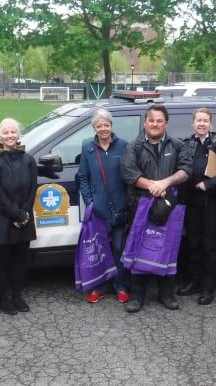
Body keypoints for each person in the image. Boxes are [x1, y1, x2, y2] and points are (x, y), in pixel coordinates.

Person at [120, 104, 193, 313]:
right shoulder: (133, 147)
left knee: (167, 247)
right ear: (145, 122)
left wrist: (165, 183)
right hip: (141, 206)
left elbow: (186, 170)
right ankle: (137, 296)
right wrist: (152, 185)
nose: (155, 124)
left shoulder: (178, 145)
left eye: (159, 121)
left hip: (169, 205)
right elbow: (128, 172)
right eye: (151, 120)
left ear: (166, 124)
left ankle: (166, 294)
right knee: (139, 247)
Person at [76, 109, 131, 304]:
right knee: (99, 249)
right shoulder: (88, 148)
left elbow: (129, 176)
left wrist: (127, 203)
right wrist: (90, 201)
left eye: (106, 125)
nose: (103, 129)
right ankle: (98, 287)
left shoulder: (123, 146)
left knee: (118, 248)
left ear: (111, 126)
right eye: (99, 126)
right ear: (94, 128)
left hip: (119, 209)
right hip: (98, 210)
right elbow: (83, 176)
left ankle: (121, 285)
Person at [176, 108, 216, 305]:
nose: (201, 124)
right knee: (193, 243)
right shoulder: (187, 144)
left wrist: (208, 184)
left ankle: (208, 287)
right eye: (198, 120)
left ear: (210, 124)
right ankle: (195, 281)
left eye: (205, 121)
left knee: (210, 245)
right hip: (191, 202)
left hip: (211, 202)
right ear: (193, 123)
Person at [0, 118, 37, 315]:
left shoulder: (28, 160)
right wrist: (16, 214)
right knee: (3, 263)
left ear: (18, 135)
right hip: (2, 221)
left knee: (19, 261)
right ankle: (4, 299)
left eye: (13, 132)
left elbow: (33, 188)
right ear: (0, 136)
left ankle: (17, 296)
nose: (10, 136)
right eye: (6, 132)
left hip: (23, 219)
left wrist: (24, 214)